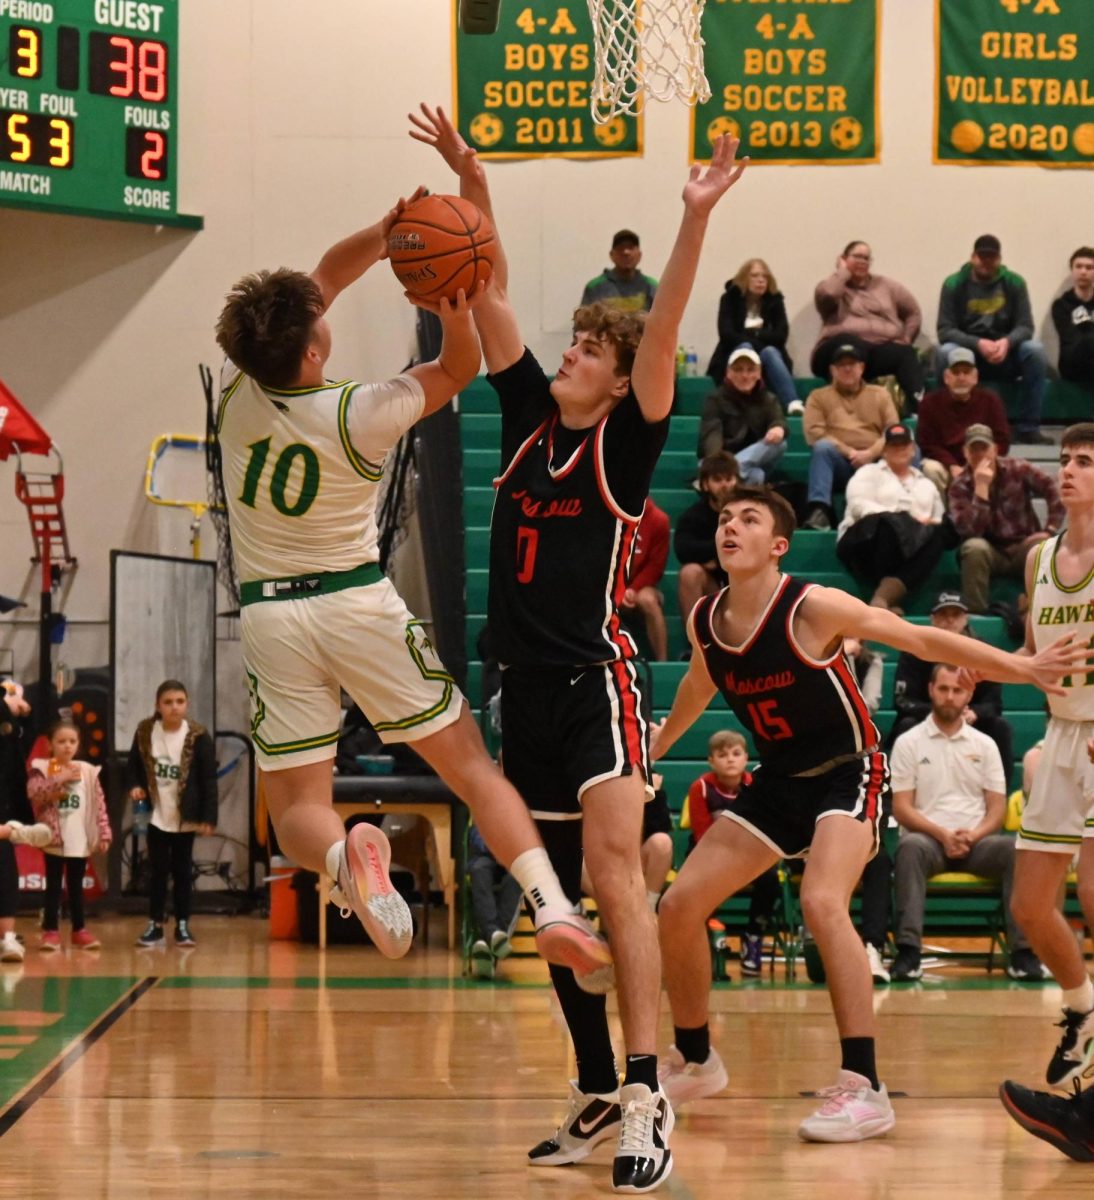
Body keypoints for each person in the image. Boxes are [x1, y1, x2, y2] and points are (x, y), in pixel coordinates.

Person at [411, 101, 747, 1193]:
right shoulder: (520, 423)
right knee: (550, 899)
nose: (569, 355)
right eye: (573, 345)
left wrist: (690, 216)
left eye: (587, 352)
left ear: (613, 380)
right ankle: (598, 1084)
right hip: (522, 688)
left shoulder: (624, 439)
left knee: (611, 879)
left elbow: (663, 330)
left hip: (598, 682)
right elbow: (487, 285)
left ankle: (650, 1094)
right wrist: (470, 180)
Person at [214, 191, 609, 984]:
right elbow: (459, 366)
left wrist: (387, 240)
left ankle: (340, 855)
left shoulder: (234, 396)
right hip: (356, 603)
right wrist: (448, 299)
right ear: (316, 351)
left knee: (294, 808)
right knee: (472, 771)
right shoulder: (359, 411)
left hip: (271, 617)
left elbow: (319, 280)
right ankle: (551, 904)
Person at [650, 484, 1084, 1142]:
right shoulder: (704, 619)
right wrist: (650, 750)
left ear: (778, 546)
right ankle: (698, 1058)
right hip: (781, 782)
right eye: (724, 518)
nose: (729, 527)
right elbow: (694, 688)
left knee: (824, 902)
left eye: (749, 519)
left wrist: (1019, 667)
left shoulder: (813, 607)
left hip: (849, 772)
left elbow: (919, 638)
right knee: (679, 906)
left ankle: (864, 1087)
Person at [1000, 423, 1094, 1115]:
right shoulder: (1039, 559)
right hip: (1063, 737)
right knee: (1030, 906)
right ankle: (1084, 1010)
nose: (1068, 470)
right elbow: (1036, 655)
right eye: (1064, 459)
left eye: (1085, 462)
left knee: (1093, 891)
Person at [889, 664, 1043, 983]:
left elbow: (996, 810)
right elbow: (902, 808)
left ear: (968, 695)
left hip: (977, 842)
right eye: (943, 689)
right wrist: (942, 834)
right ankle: (908, 952)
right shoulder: (908, 742)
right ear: (931, 690)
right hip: (927, 839)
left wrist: (972, 835)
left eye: (957, 690)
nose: (949, 697)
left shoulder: (985, 745)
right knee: (909, 847)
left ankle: (1023, 953)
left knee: (1016, 848)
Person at [889, 591, 1016, 791]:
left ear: (966, 618)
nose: (949, 620)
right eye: (943, 614)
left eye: (955, 614)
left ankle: (1000, 798)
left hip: (970, 719)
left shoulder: (983, 650)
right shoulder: (913, 652)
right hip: (927, 718)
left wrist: (974, 713)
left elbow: (994, 703)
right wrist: (937, 713)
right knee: (906, 725)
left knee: (1001, 727)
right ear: (932, 619)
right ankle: (900, 795)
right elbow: (902, 700)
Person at [126, 680, 218, 948]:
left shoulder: (199, 736)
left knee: (182, 870)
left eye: (179, 701)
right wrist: (134, 786)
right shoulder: (145, 731)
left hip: (184, 816)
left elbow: (208, 780)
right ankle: (155, 923)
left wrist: (208, 818)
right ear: (158, 705)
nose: (174, 707)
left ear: (187, 704)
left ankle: (182, 923)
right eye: (168, 702)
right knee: (157, 870)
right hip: (156, 812)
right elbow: (134, 765)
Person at [937, 233, 1049, 444]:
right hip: (969, 353)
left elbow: (1026, 327)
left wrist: (1006, 342)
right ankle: (948, 425)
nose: (986, 262)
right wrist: (977, 344)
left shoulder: (1015, 283)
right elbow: (945, 330)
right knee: (945, 353)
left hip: (1005, 352)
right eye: (982, 257)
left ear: (999, 259)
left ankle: (1028, 427)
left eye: (991, 257)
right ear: (972, 257)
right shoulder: (953, 284)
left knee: (1035, 351)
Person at [684, 730, 778, 977]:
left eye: (736, 753)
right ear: (711, 761)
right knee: (699, 880)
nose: (730, 759)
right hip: (708, 855)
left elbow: (764, 828)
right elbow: (702, 836)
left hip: (748, 855)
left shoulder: (756, 785)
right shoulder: (701, 787)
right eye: (722, 754)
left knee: (770, 878)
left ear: (746, 757)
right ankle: (711, 939)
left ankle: (754, 937)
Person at [949, 425, 1064, 614]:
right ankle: (977, 615)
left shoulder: (1017, 468)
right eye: (973, 449)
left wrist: (1050, 528)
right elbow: (969, 532)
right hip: (990, 551)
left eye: (984, 448)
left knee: (1043, 544)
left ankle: (1041, 609)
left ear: (994, 449)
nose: (979, 454)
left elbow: (1053, 489)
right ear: (965, 453)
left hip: (1024, 546)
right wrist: (981, 490)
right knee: (973, 548)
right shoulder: (959, 485)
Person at [835, 421, 945, 613]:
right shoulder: (867, 472)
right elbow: (858, 506)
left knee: (939, 534)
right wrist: (903, 518)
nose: (899, 449)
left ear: (913, 449)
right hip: (863, 542)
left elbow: (938, 516)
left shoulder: (926, 483)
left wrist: (923, 525)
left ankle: (884, 597)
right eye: (893, 445)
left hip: (910, 547)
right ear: (884, 450)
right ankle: (884, 597)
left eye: (904, 445)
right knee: (888, 524)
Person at [28, 719, 112, 951]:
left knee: (76, 886)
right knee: (53, 885)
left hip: (79, 838)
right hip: (54, 839)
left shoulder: (87, 770)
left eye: (72, 741)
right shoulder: (42, 768)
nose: (67, 746)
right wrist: (59, 779)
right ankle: (51, 931)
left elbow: (99, 804)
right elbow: (35, 794)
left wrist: (104, 833)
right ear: (51, 745)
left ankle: (79, 930)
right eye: (61, 741)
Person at [812, 241, 925, 412]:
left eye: (866, 258)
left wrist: (907, 338)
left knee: (906, 353)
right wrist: (842, 273)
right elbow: (829, 294)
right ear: (843, 259)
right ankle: (849, 409)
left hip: (875, 352)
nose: (862, 262)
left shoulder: (887, 286)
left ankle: (920, 408)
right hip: (834, 351)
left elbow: (913, 312)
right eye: (857, 256)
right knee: (851, 343)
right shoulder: (830, 286)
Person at [801, 343, 899, 530]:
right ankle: (820, 511)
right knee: (822, 448)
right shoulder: (818, 397)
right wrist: (850, 452)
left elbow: (892, 430)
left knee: (908, 448)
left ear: (861, 368)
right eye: (841, 365)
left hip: (877, 461)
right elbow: (814, 433)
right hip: (841, 463)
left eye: (852, 364)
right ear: (832, 370)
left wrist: (871, 453)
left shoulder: (880, 394)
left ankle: (911, 506)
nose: (847, 369)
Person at [0, 681, 51, 964]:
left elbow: (28, 736)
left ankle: (6, 936)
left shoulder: (10, 732)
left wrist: (25, 712)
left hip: (5, 807)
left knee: (6, 869)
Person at [916, 346, 1011, 495]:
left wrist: (977, 464)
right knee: (931, 469)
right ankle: (941, 517)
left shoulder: (991, 401)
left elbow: (1002, 441)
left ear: (975, 377)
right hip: (945, 464)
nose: (961, 377)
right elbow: (927, 443)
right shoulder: (929, 403)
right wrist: (952, 465)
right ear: (946, 377)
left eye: (966, 372)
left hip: (982, 461)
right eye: (956, 372)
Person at [706, 258, 797, 411]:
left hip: (767, 358)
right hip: (732, 354)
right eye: (755, 276)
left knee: (770, 351)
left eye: (765, 276)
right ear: (744, 278)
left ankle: (792, 403)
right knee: (745, 346)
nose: (761, 280)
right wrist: (760, 336)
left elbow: (781, 336)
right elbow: (727, 334)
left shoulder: (775, 300)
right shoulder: (729, 298)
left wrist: (752, 333)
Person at [697, 346, 787, 484]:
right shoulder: (715, 399)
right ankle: (729, 473)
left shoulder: (769, 399)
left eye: (750, 370)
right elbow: (711, 435)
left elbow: (778, 420)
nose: (745, 376)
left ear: (759, 373)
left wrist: (778, 428)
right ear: (728, 373)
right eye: (738, 369)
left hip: (756, 457)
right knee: (757, 476)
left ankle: (731, 472)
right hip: (720, 459)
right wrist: (718, 463)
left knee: (779, 443)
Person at [674, 451, 739, 629]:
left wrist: (714, 559)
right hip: (715, 586)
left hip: (743, 584)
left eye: (729, 479)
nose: (725, 485)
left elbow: (752, 550)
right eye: (718, 480)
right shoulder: (693, 515)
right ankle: (696, 642)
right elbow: (683, 550)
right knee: (689, 572)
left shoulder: (747, 513)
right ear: (705, 484)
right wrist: (723, 550)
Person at [467, 822, 523, 977]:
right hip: (485, 856)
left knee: (516, 877)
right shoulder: (484, 801)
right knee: (479, 870)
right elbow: (475, 835)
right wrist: (495, 850)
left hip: (513, 859)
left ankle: (489, 943)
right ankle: (494, 934)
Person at [621, 499, 670, 662]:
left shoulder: (659, 520)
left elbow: (656, 566)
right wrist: (618, 589)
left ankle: (662, 662)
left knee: (648, 600)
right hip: (611, 584)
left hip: (643, 586)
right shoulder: (610, 514)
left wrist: (633, 589)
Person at [581, 229, 658, 314]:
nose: (626, 252)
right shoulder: (594, 287)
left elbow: (663, 321)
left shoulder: (652, 287)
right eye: (620, 248)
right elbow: (583, 324)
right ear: (611, 255)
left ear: (639, 255)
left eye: (631, 247)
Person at [1052, 246, 1094, 390]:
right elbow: (1071, 341)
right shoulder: (1061, 305)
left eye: (1089, 267)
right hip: (1073, 365)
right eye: (1079, 267)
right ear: (1072, 270)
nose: (1083, 272)